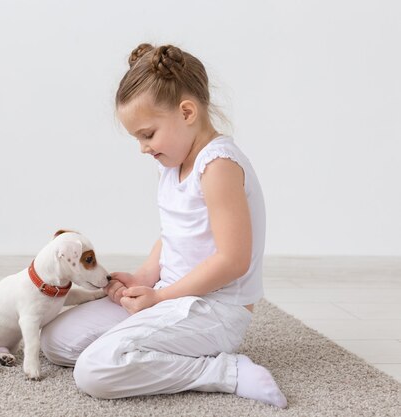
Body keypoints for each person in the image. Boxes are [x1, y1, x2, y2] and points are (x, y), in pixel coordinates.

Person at [40, 43, 287, 408]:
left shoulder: (218, 166)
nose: (142, 147)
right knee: (53, 340)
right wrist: (144, 278)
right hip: (171, 296)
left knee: (93, 370)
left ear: (187, 112)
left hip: (215, 310)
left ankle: (224, 372)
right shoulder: (172, 163)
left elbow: (233, 260)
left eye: (147, 134)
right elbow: (173, 233)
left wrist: (160, 298)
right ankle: (141, 350)